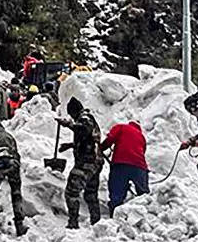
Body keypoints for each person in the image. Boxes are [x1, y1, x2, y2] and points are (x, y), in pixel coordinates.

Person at [58, 97, 103, 228]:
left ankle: (73, 222)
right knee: (90, 194)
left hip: (87, 163)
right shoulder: (88, 118)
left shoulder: (84, 118)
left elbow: (84, 129)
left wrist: (68, 124)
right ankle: (97, 223)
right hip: (95, 162)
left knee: (71, 192)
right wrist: (71, 145)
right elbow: (88, 139)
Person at [101, 118, 147, 217]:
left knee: (117, 194)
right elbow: (143, 151)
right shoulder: (142, 137)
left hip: (121, 164)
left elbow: (110, 139)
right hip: (140, 167)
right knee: (144, 196)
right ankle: (146, 219)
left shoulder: (121, 127)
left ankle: (114, 218)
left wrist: (100, 148)